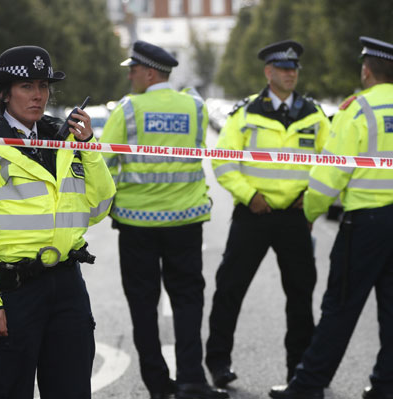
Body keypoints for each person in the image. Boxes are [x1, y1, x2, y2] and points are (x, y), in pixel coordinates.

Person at [0, 45, 116, 399]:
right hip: (13, 293)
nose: (38, 95)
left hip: (67, 286)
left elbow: (100, 206)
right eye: (26, 86)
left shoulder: (64, 138)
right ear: (5, 93)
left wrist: (89, 147)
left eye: (43, 85)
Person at [270, 37, 393, 399]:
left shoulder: (358, 111)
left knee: (340, 306)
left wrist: (311, 209)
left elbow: (331, 173)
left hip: (367, 223)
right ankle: (384, 385)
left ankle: (308, 384)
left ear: (366, 70)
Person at [100, 40, 228, 399]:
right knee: (188, 300)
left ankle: (157, 384)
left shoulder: (127, 110)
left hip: (137, 226)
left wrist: (107, 203)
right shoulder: (195, 107)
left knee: (143, 304)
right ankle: (191, 379)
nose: (129, 75)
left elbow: (103, 164)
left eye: (133, 69)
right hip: (185, 223)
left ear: (150, 72)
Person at [206, 39, 331, 387]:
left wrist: (310, 200)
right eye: (284, 69)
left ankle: (299, 370)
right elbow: (224, 160)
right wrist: (249, 195)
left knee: (301, 295)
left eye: (294, 69)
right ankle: (218, 364)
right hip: (253, 214)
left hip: (295, 216)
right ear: (268, 72)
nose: (291, 74)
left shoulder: (314, 115)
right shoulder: (245, 114)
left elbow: (332, 163)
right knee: (229, 289)